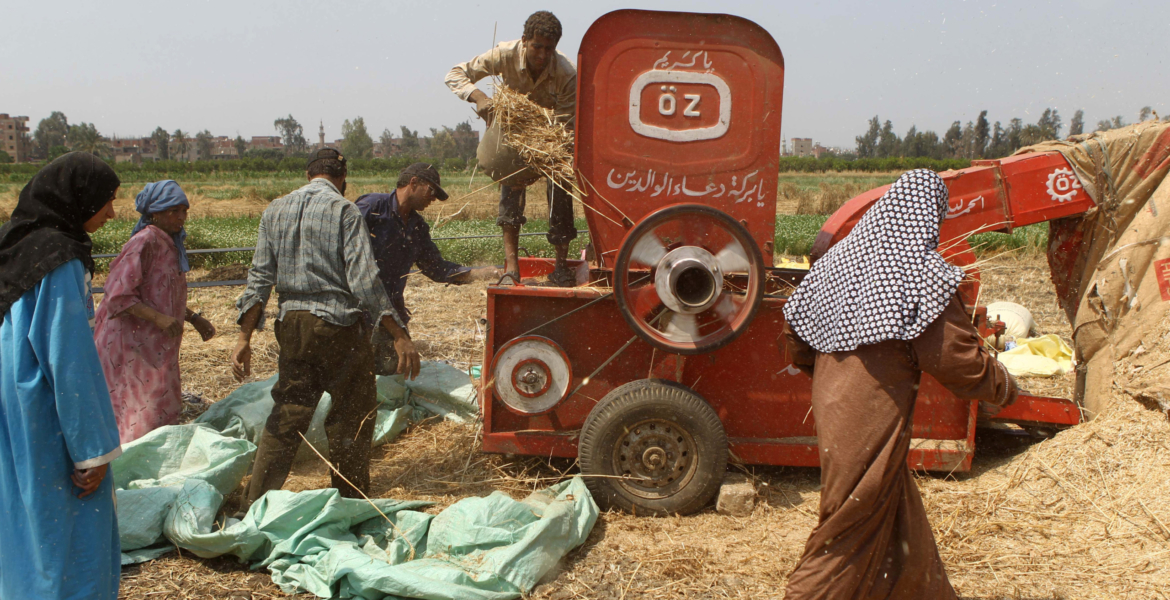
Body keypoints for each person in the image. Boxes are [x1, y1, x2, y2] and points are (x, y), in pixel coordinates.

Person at [780, 169, 1018, 599]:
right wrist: (1004, 387)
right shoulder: (921, 275)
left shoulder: (839, 259)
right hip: (867, 413)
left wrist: (828, 377)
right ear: (930, 216)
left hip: (834, 402)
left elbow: (794, 329)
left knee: (894, 512)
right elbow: (957, 361)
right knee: (849, 520)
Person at [232, 148, 420, 509]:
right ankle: (350, 500)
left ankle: (252, 505)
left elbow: (259, 279)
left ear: (308, 175)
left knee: (288, 414)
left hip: (292, 326)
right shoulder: (345, 210)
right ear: (342, 180)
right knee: (352, 413)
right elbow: (365, 281)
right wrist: (399, 335)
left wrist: (243, 337)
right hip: (338, 328)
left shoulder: (275, 209)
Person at [0, 152, 124, 600]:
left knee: (20, 517)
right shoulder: (59, 259)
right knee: (65, 528)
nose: (112, 212)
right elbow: (68, 359)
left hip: (12, 403)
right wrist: (91, 451)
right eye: (107, 200)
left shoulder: (15, 247)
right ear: (79, 198)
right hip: (45, 414)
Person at [445, 10, 577, 286]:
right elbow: (456, 74)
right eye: (537, 47)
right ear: (525, 41)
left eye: (548, 49)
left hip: (550, 138)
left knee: (561, 188)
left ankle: (562, 267)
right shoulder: (504, 54)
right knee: (510, 186)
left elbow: (565, 124)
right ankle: (511, 268)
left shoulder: (566, 72)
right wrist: (478, 96)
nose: (542, 55)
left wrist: (544, 151)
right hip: (513, 133)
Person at [94, 180, 216, 443]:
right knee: (139, 411)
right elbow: (118, 295)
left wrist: (193, 317)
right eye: (174, 211)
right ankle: (130, 468)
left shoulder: (170, 244)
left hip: (155, 345)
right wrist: (159, 319)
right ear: (155, 213)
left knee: (157, 406)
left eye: (185, 211)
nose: (181, 217)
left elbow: (161, 294)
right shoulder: (144, 241)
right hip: (131, 345)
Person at [355, 163, 501, 356]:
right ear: (413, 183)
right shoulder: (372, 208)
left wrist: (478, 273)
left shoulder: (417, 227)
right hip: (358, 309)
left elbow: (436, 268)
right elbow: (343, 253)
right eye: (431, 191)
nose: (433, 199)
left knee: (392, 373)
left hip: (392, 311)